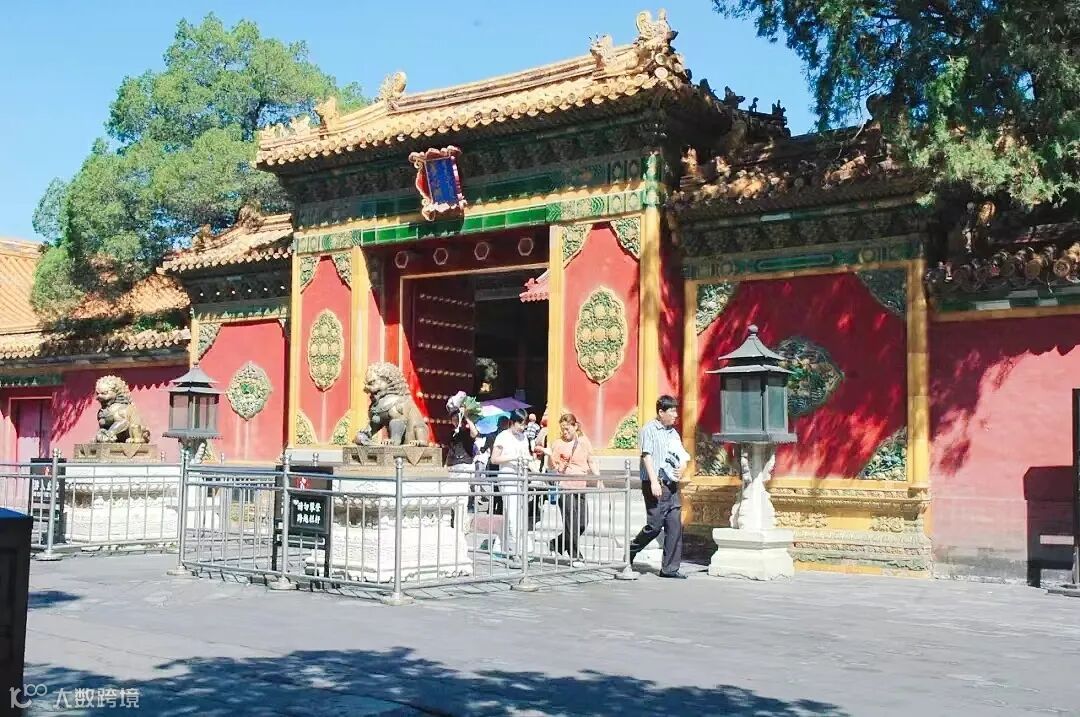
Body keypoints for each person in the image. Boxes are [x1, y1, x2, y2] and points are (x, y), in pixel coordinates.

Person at [629, 395, 690, 579]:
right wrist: (654, 481)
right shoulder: (648, 430)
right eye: (672, 411)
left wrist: (683, 467)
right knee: (655, 526)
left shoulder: (673, 433)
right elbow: (646, 456)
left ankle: (669, 569)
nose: (676, 415)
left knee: (674, 525)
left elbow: (681, 454)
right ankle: (631, 550)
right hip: (655, 484)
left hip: (671, 484)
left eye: (676, 411)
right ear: (661, 412)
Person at [536, 413, 598, 567]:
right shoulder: (558, 444)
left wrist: (599, 478)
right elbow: (552, 467)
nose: (565, 432)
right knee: (571, 522)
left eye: (567, 429)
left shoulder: (584, 442)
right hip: (565, 486)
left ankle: (556, 543)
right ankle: (575, 555)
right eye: (562, 429)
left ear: (575, 427)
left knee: (582, 522)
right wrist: (549, 455)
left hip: (581, 486)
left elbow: (591, 460)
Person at [489, 408, 532, 564]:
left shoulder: (524, 437)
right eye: (520, 424)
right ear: (512, 422)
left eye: (524, 424)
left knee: (518, 515)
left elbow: (527, 455)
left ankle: (503, 546)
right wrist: (513, 457)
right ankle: (516, 551)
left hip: (521, 478)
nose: (522, 427)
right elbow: (494, 459)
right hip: (508, 478)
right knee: (512, 514)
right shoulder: (503, 437)